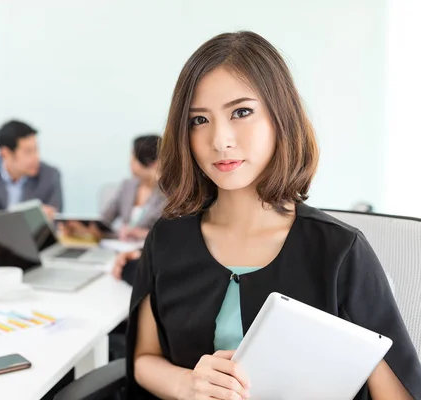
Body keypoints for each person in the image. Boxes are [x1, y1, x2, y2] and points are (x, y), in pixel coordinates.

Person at [128, 31, 421, 400]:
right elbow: (143, 358)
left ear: (280, 117)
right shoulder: (168, 237)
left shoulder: (338, 250)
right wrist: (187, 384)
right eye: (198, 120)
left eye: (242, 112)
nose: (220, 140)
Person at [61, 135, 165, 241]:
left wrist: (142, 234)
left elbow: (168, 232)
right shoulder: (127, 186)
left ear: (151, 163)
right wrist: (84, 228)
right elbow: (105, 220)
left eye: (133, 157)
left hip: (148, 249)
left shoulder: (167, 192)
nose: (130, 162)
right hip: (120, 247)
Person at [0, 120, 63, 219]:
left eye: (36, 149)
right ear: (6, 153)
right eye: (28, 152)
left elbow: (56, 219)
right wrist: (31, 216)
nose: (36, 157)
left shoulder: (50, 175)